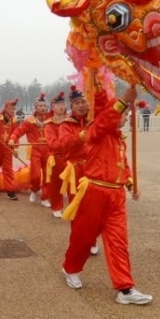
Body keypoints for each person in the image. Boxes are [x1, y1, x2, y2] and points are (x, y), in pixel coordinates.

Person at [60, 86, 151, 305]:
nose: (125, 118)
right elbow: (101, 121)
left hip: (116, 196)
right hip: (94, 192)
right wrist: (119, 100)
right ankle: (70, 268)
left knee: (118, 241)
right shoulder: (99, 131)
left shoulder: (119, 139)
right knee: (83, 237)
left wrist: (130, 184)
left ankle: (125, 289)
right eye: (123, 114)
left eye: (127, 115)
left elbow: (123, 166)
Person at [58, 86, 99, 254]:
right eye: (77, 103)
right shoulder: (66, 125)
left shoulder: (94, 122)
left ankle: (92, 240)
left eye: (84, 102)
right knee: (77, 209)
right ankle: (77, 243)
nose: (82, 105)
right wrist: (81, 136)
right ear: (71, 107)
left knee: (94, 208)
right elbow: (64, 144)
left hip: (94, 169)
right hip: (75, 171)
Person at [9, 93, 50, 203]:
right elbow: (19, 131)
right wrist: (13, 138)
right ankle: (34, 190)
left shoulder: (50, 120)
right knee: (35, 175)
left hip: (48, 151)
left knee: (48, 175)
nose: (42, 108)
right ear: (36, 107)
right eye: (40, 106)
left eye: (44, 106)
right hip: (35, 150)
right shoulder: (29, 121)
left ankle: (45, 197)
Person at [42, 92, 68, 216]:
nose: (61, 107)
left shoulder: (71, 121)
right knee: (56, 184)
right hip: (56, 158)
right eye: (57, 104)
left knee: (74, 183)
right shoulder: (49, 125)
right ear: (52, 107)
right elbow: (53, 144)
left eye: (62, 104)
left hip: (71, 157)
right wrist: (71, 141)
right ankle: (56, 207)